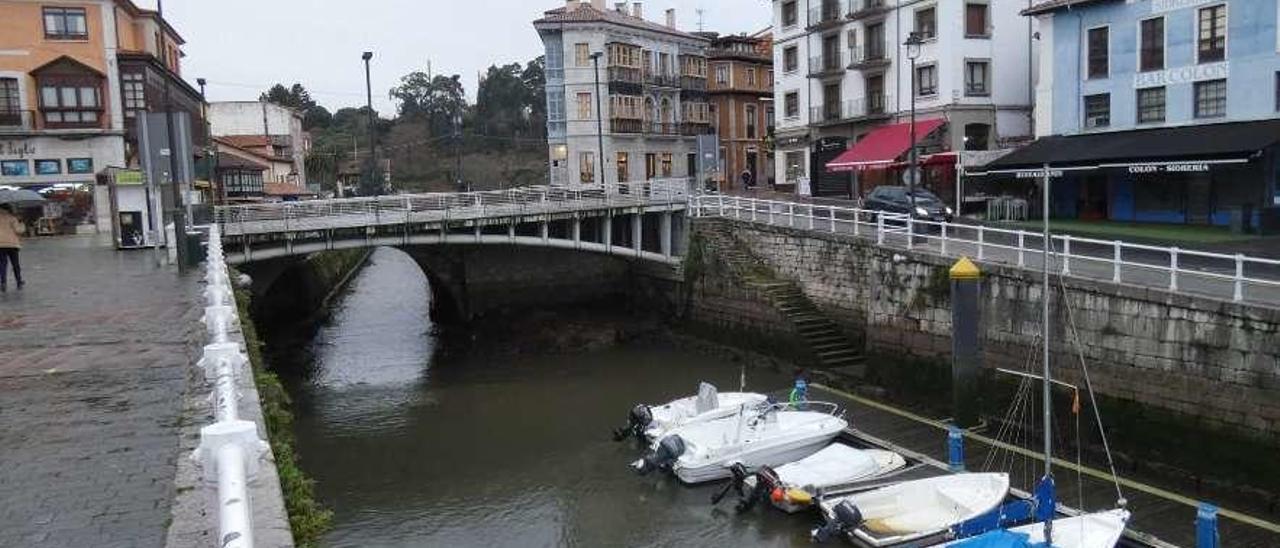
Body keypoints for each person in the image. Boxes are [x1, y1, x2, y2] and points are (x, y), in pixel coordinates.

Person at [0, 203, 25, 292]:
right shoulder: (12, 218)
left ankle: (3, 282)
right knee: (15, 264)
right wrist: (21, 222)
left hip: (1, 245)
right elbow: (19, 231)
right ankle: (19, 281)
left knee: (2, 264)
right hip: (12, 244)